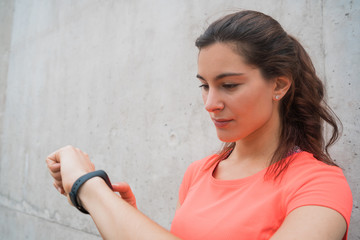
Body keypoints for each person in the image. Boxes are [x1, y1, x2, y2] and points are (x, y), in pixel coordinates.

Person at [46, 10, 353, 240]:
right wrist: (123, 216)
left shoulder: (319, 185)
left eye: (229, 85)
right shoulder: (199, 173)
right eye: (204, 86)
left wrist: (88, 187)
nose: (210, 103)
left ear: (279, 85)